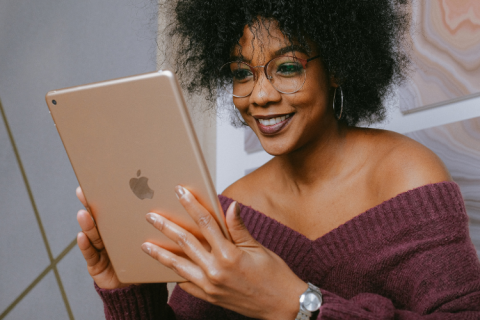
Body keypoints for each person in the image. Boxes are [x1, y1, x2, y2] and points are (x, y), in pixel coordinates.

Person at [76, 0, 480, 319]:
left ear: (337, 66)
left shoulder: (406, 178)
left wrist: (295, 306)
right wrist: (124, 291)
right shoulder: (231, 210)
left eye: (287, 68)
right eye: (242, 73)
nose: (260, 95)